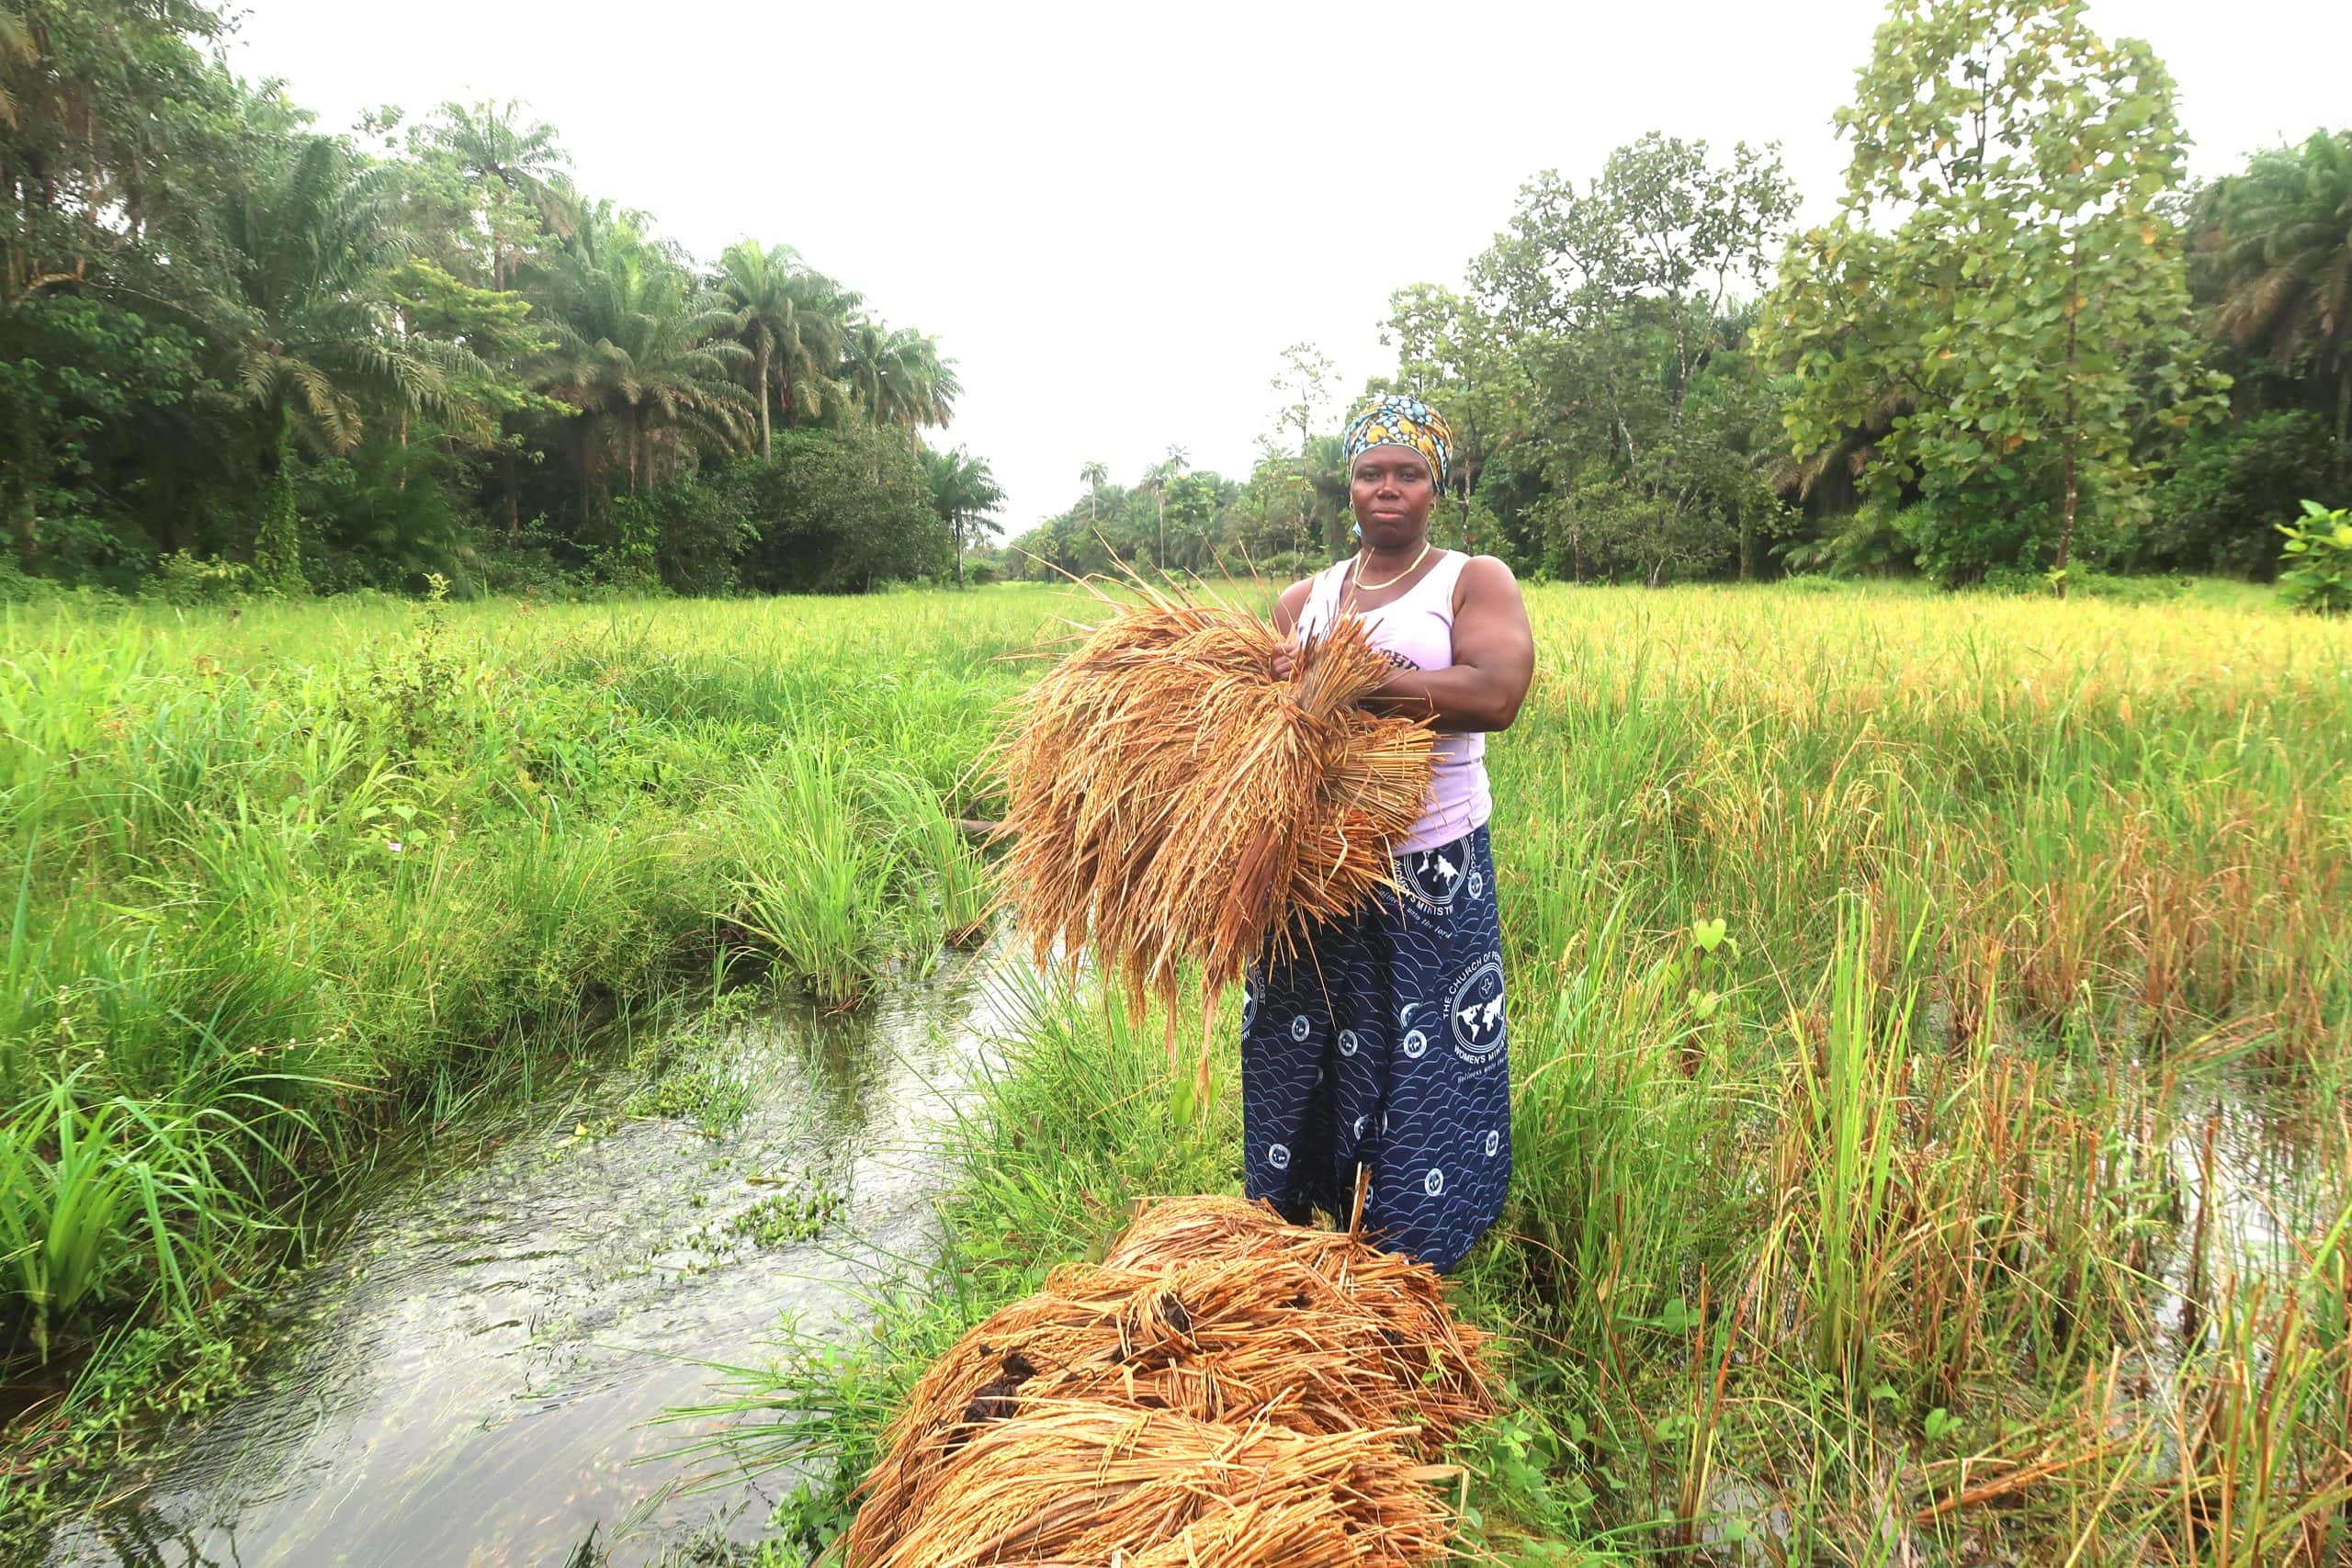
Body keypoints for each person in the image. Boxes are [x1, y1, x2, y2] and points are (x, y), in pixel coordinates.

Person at [1242, 392, 1535, 1272]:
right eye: (1372, 472)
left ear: (1434, 487)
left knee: (1431, 1057)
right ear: (1350, 485)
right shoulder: (1307, 597)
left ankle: (1412, 1253)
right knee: (1304, 1048)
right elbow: (1258, 722)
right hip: (1318, 873)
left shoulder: (1471, 579)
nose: (1388, 487)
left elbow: (1496, 692)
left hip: (1433, 869)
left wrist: (1350, 683)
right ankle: (1297, 1233)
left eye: (1409, 472)